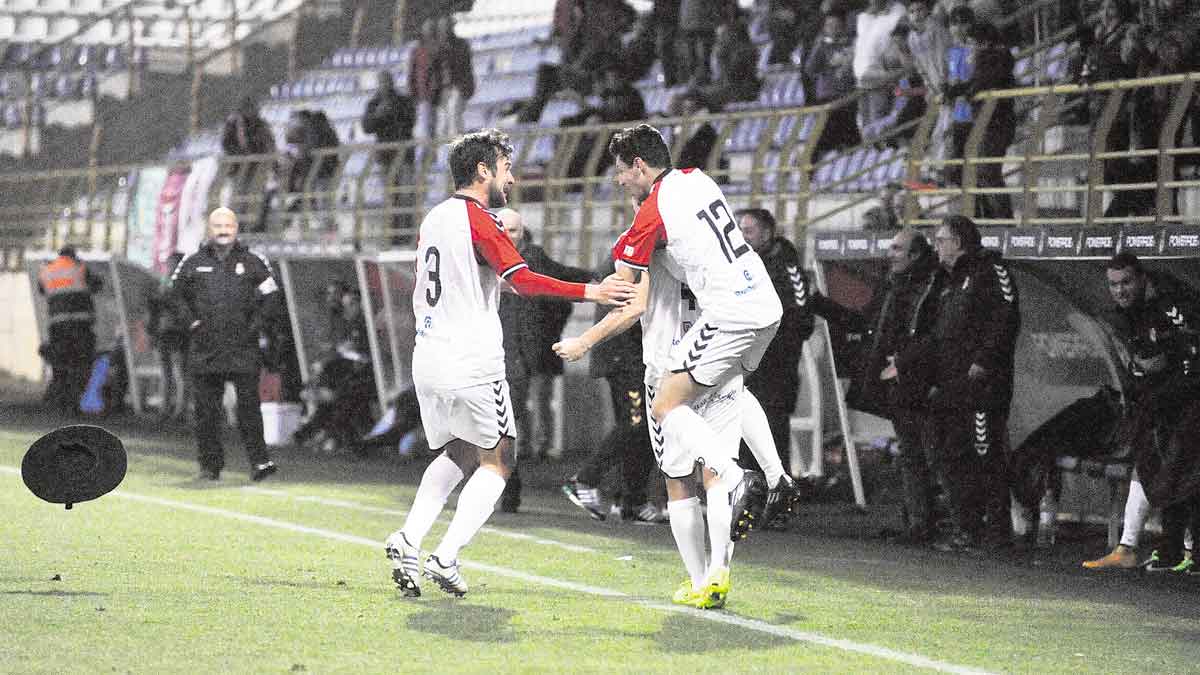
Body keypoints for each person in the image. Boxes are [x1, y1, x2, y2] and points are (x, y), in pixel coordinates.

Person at [383, 129, 634, 598]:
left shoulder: (435, 218)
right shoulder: (479, 219)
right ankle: (447, 555)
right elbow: (522, 277)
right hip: (471, 357)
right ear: (483, 171)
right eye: (505, 169)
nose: (512, 179)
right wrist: (592, 291)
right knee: (501, 458)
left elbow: (499, 282)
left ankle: (408, 538)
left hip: (430, 355)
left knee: (458, 451)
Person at [555, 124, 789, 609]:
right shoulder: (698, 181)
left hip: (684, 347)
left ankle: (737, 496)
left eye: (621, 172)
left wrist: (585, 331)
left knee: (674, 446)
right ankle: (754, 507)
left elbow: (628, 297)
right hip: (756, 308)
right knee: (733, 402)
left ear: (640, 166)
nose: (619, 182)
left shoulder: (646, 223)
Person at [890, 215, 1020, 553]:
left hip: (983, 389)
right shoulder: (946, 280)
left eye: (941, 240)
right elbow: (937, 335)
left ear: (959, 241)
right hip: (951, 386)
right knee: (953, 456)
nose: (937, 247)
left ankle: (998, 532)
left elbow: (1006, 320)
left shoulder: (991, 272)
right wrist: (913, 367)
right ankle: (968, 529)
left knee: (986, 455)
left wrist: (983, 362)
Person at [1088, 254, 1200, 573]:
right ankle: (1171, 553)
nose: (1119, 290)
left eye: (1126, 282)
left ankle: (1184, 553)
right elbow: (1149, 360)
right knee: (1169, 473)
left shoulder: (1171, 303)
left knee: (1187, 474)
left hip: (1191, 396)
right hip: (1170, 400)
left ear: (1141, 279)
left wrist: (1166, 381)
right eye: (1113, 284)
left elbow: (1193, 352)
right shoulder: (1133, 312)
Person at [170, 207, 284, 482]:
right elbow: (175, 296)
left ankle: (260, 463)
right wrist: (192, 323)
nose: (223, 231)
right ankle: (210, 467)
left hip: (242, 348)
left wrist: (256, 325)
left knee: (249, 410)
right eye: (218, 226)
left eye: (228, 226)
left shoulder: (254, 261)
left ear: (236, 229)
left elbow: (272, 295)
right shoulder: (192, 261)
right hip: (205, 350)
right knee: (206, 414)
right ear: (209, 229)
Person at [494, 207, 592, 512]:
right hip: (491, 352)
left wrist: (597, 282)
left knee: (510, 421)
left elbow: (561, 277)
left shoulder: (533, 258)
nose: (509, 236)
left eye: (514, 230)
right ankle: (502, 482)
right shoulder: (484, 259)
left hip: (521, 356)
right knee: (501, 423)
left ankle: (511, 486)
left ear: (522, 233)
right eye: (504, 230)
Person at [847, 228, 942, 543]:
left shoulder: (929, 286)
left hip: (922, 384)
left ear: (915, 255)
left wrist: (902, 363)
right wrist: (819, 304)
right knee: (913, 455)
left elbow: (933, 337)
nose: (891, 254)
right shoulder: (894, 284)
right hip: (899, 384)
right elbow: (867, 323)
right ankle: (917, 524)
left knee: (928, 455)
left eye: (898, 249)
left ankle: (932, 525)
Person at [562, 258, 660, 523]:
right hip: (626, 359)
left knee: (644, 430)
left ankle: (632, 501)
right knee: (635, 425)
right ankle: (585, 479)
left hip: (635, 358)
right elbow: (627, 311)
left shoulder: (637, 254)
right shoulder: (633, 256)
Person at [733, 208, 816, 479]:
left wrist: (772, 348)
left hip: (776, 369)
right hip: (748, 365)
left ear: (767, 234)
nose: (741, 237)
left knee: (772, 431)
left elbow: (803, 318)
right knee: (744, 430)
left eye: (748, 231)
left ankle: (778, 502)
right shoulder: (743, 265)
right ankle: (749, 500)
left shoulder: (788, 267)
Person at [37, 245, 103, 416]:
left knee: (61, 364)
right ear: (74, 255)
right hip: (81, 326)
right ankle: (74, 403)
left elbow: (42, 290)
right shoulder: (80, 268)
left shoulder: (47, 270)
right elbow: (97, 285)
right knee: (80, 364)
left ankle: (61, 402)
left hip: (58, 326)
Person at [362, 69, 417, 238]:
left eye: (387, 81)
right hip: (385, 158)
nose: (384, 85)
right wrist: (379, 114)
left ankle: (408, 233)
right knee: (390, 196)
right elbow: (367, 127)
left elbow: (411, 121)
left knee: (407, 195)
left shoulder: (403, 101)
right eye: (381, 82)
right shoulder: (373, 104)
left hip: (404, 156)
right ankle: (393, 235)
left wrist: (394, 112)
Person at [148, 251, 189, 422]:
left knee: (177, 372)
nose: (170, 267)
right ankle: (170, 409)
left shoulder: (180, 282)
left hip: (176, 330)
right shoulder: (167, 281)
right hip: (169, 330)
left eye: (172, 263)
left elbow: (174, 305)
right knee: (171, 372)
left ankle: (177, 409)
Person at [220, 96, 276, 216]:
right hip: (238, 171)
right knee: (238, 199)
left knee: (256, 199)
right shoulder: (232, 124)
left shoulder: (261, 124)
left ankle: (254, 224)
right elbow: (226, 145)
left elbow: (270, 144)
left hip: (257, 169)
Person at [433, 16, 475, 140]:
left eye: (447, 27)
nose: (444, 30)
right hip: (444, 88)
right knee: (443, 122)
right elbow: (435, 69)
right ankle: (443, 153)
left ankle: (458, 148)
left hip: (458, 85)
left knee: (454, 115)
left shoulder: (461, 45)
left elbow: (465, 66)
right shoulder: (438, 47)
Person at [408, 18, 439, 140]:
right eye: (428, 30)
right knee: (425, 126)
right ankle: (428, 154)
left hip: (440, 93)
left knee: (438, 126)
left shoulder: (440, 47)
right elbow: (412, 72)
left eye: (432, 30)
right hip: (424, 94)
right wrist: (413, 91)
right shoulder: (417, 50)